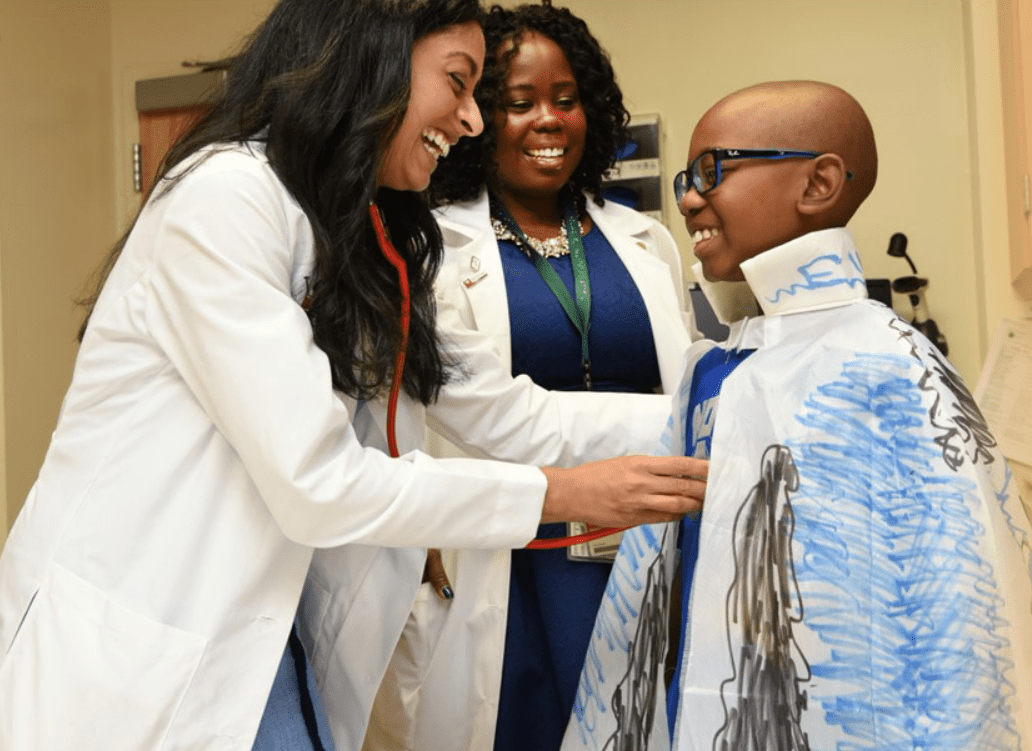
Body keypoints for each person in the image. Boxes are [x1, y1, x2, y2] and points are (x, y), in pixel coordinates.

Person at [0, 2, 710, 749]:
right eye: (458, 82)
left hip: (269, 639)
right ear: (373, 57)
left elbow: (506, 412)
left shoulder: (367, 235)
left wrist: (713, 405)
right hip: (147, 645)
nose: (472, 119)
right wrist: (565, 494)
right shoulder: (225, 197)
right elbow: (318, 481)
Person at [564, 80, 1032, 751]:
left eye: (712, 171)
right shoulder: (712, 369)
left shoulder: (890, 368)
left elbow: (953, 617)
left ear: (818, 184)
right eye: (686, 179)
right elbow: (654, 589)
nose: (689, 198)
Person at [361, 4, 694, 751]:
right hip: (509, 557)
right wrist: (700, 412)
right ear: (480, 118)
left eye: (566, 99)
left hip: (636, 548)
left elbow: (680, 372)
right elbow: (484, 416)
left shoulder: (646, 241)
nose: (548, 119)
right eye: (519, 102)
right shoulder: (433, 245)